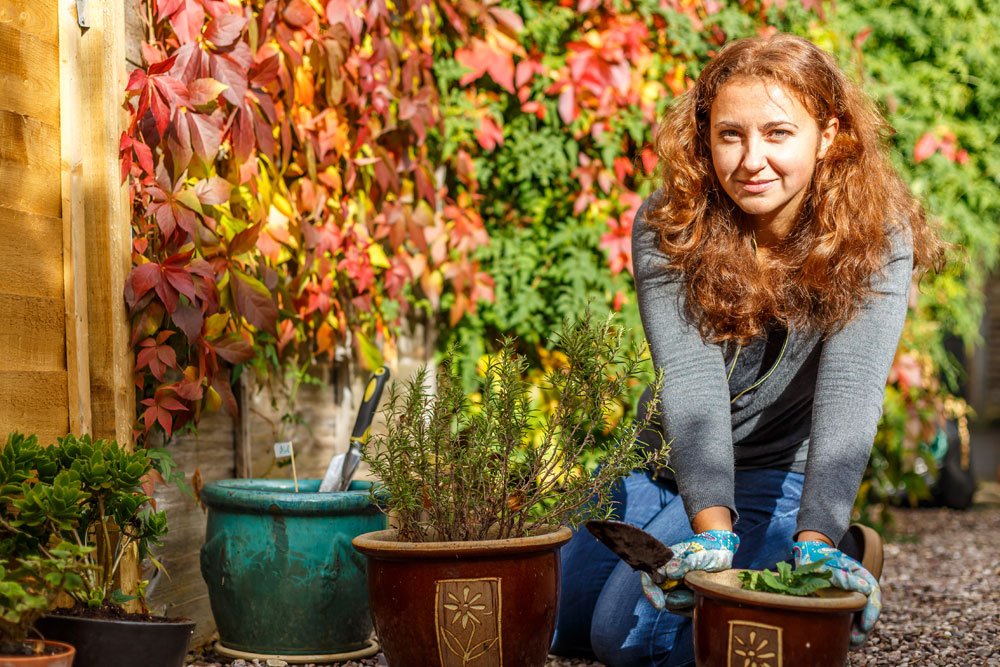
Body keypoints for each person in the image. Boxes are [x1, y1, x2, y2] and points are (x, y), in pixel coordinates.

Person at [550, 33, 942, 666]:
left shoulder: (875, 237)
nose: (751, 159)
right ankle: (744, 551)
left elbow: (850, 395)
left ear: (830, 133)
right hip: (666, 462)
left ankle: (818, 550)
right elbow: (689, 382)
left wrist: (814, 544)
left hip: (776, 470)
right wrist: (712, 537)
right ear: (705, 136)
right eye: (730, 134)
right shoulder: (668, 226)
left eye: (778, 133)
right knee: (558, 626)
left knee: (628, 643)